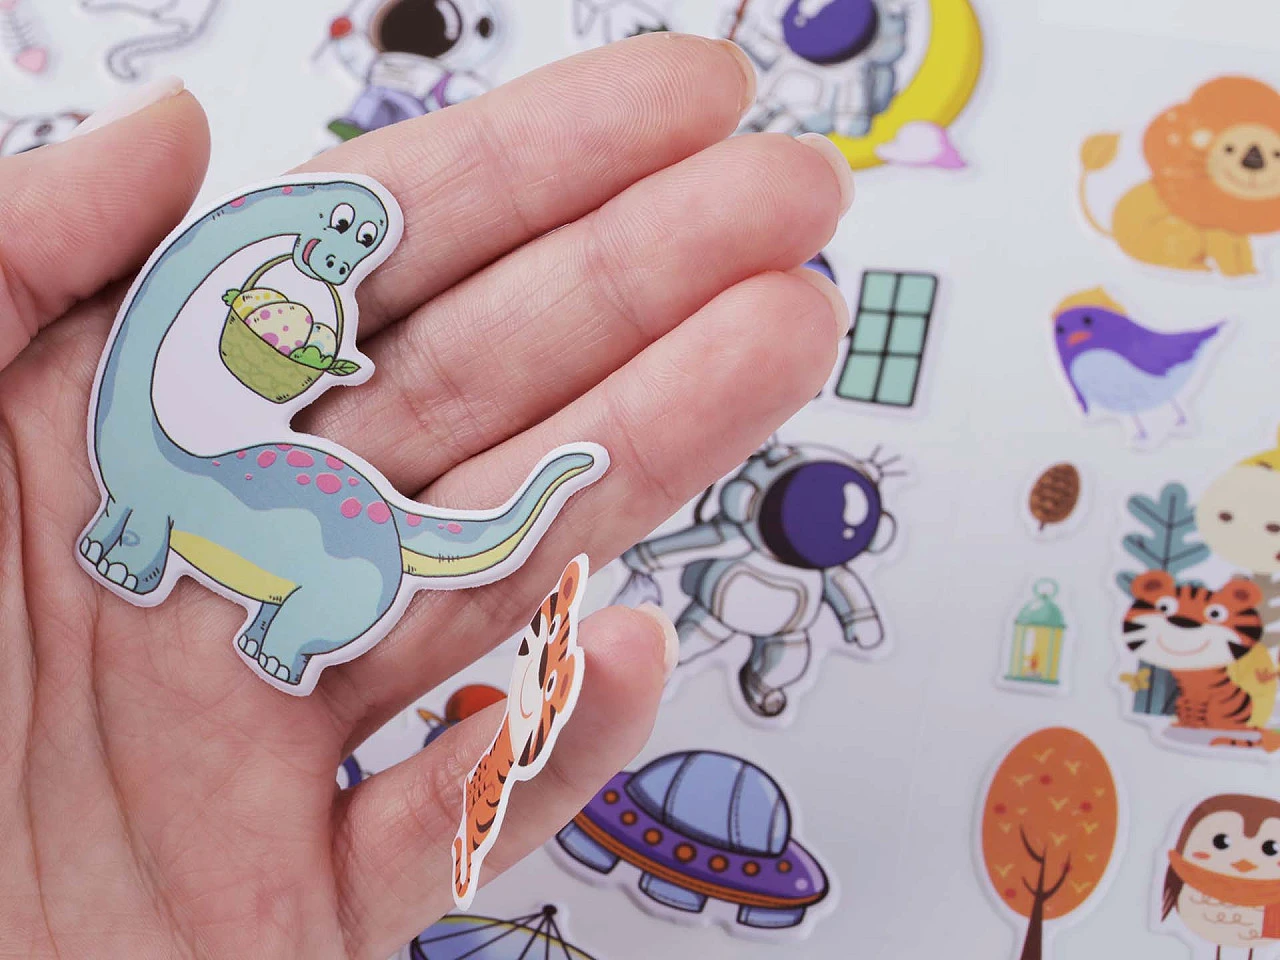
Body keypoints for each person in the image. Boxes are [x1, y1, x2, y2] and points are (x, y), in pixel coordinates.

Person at [0, 34, 852, 959]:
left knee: (273, 564)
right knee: (192, 507)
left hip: (318, 540)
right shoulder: (177, 460)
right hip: (236, 497)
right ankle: (261, 616)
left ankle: (271, 622)